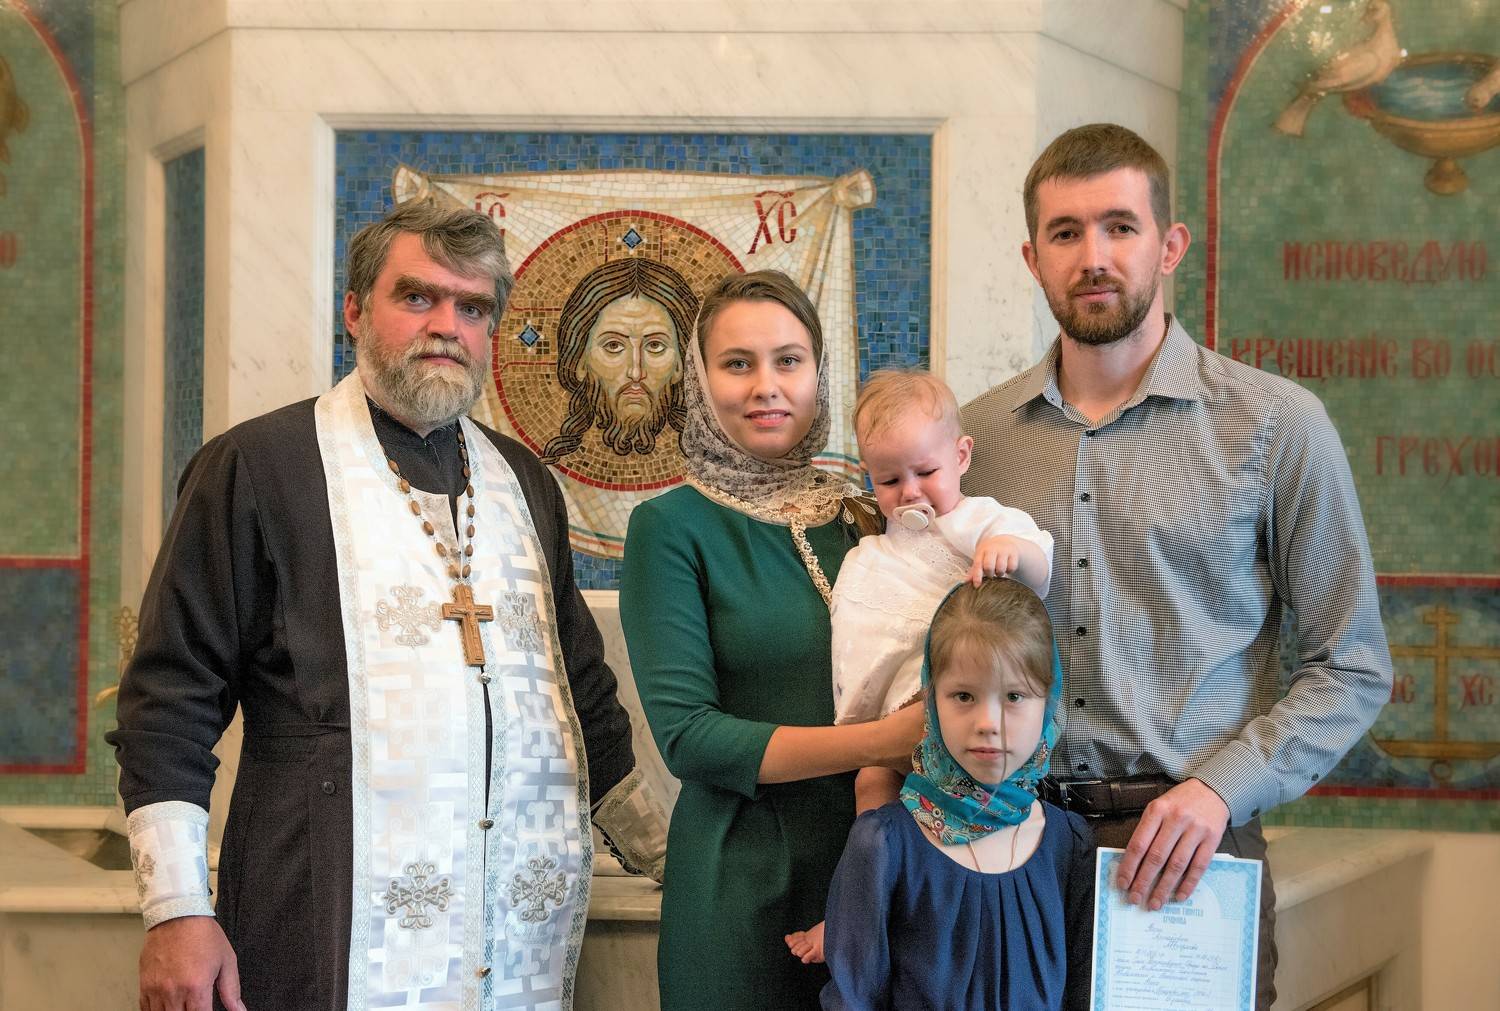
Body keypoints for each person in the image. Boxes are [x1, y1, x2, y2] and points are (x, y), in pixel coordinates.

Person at [108, 201, 668, 1011]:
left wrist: (677, 857)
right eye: (417, 297)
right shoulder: (258, 467)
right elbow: (170, 700)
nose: (446, 326)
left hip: (507, 941)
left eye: (471, 307)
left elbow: (581, 700)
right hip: (320, 912)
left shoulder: (523, 482)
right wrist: (176, 910)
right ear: (355, 310)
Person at [960, 122, 1393, 1010]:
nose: (1094, 256)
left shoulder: (1277, 426)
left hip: (1187, 848)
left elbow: (1352, 667)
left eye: (1120, 226)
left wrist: (1219, 791)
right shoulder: (977, 439)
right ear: (1033, 258)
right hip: (1002, 847)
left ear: (1170, 246)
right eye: (1066, 232)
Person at [621, 270, 926, 1010]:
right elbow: (691, 738)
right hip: (744, 882)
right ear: (700, 381)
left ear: (821, 374)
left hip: (882, 870)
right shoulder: (671, 528)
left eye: (789, 360)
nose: (767, 386)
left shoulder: (872, 515)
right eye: (738, 363)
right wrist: (886, 741)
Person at [784, 368, 1055, 966]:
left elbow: (1039, 566)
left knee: (975, 806)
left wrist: (1011, 554)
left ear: (961, 456)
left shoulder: (979, 520)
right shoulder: (874, 552)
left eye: (925, 472)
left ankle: (962, 903)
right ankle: (854, 907)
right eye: (889, 480)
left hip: (965, 710)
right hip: (895, 723)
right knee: (871, 787)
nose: (910, 492)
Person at [820, 578, 1094, 1010]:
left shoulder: (1070, 844)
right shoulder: (884, 844)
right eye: (963, 695)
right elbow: (853, 998)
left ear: (1048, 701)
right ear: (932, 700)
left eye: (1015, 696)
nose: (987, 723)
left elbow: (1084, 993)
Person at [539, 256, 698, 464]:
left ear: (680, 365)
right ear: (580, 362)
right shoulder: (541, 472)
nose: (636, 372)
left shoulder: (711, 470)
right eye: (613, 346)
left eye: (655, 346)